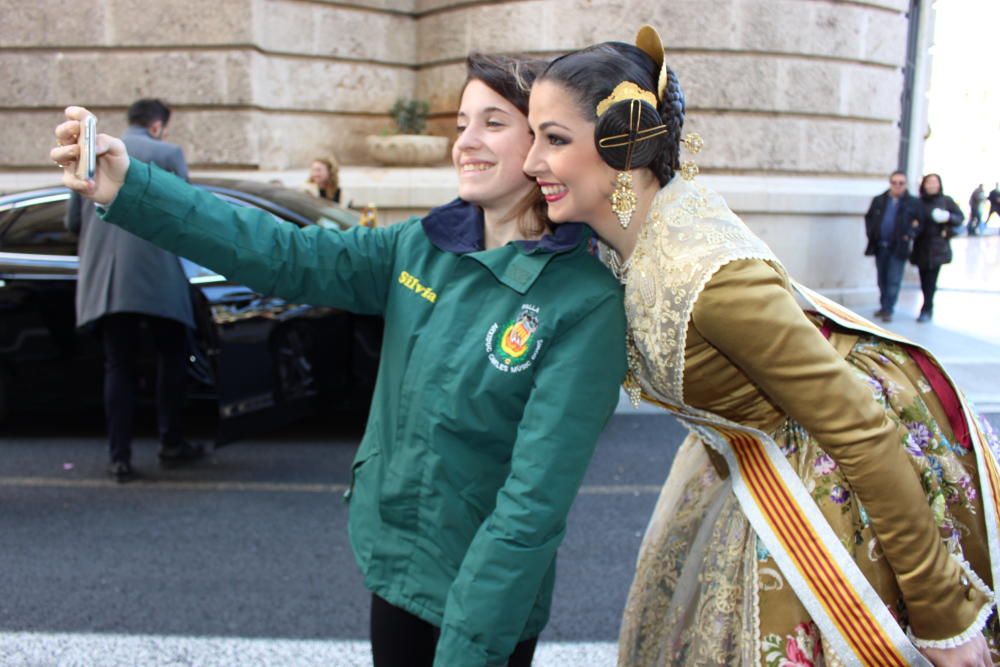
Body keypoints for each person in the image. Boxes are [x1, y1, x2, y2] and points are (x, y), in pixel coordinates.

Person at [51, 53, 627, 667]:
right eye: (461, 124)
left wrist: (468, 650)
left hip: (484, 601)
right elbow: (281, 252)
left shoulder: (581, 301)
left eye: (493, 123)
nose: (466, 143)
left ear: (540, 142)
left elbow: (529, 513)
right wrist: (131, 186)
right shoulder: (419, 246)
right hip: (395, 564)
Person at [523, 25, 999, 667]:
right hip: (744, 467)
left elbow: (859, 427)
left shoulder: (711, 276)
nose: (532, 161)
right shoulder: (621, 243)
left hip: (828, 491)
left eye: (553, 139)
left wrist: (946, 621)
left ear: (625, 142)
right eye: (532, 137)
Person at [64, 98, 205, 483]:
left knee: (118, 366)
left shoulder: (93, 151)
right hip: (158, 271)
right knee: (171, 359)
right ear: (158, 125)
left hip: (107, 279)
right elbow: (189, 213)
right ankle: (171, 444)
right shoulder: (168, 152)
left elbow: (73, 221)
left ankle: (119, 457)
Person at [864, 171, 921, 322]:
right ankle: (883, 306)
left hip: (898, 248)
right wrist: (872, 234)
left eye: (901, 183)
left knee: (893, 279)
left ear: (905, 185)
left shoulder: (912, 203)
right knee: (882, 278)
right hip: (880, 246)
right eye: (894, 182)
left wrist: (909, 233)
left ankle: (888, 309)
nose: (897, 186)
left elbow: (920, 223)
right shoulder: (880, 200)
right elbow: (869, 218)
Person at [911, 173, 964, 323]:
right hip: (921, 246)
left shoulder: (946, 201)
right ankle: (926, 306)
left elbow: (959, 218)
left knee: (932, 280)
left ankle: (927, 308)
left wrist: (948, 217)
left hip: (938, 247)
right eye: (929, 182)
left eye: (935, 182)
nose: (932, 185)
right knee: (923, 279)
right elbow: (911, 219)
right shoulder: (918, 202)